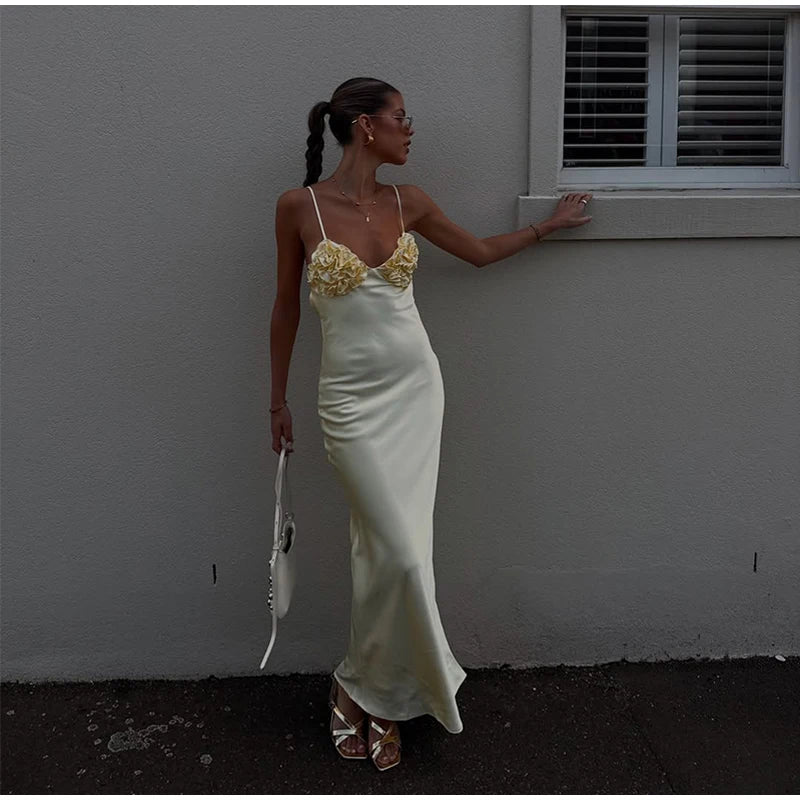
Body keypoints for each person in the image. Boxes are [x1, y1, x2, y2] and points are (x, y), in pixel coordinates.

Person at [269, 77, 592, 771]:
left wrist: (548, 226)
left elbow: (477, 252)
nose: (410, 129)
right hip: (348, 403)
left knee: (396, 554)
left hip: (416, 392)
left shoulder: (408, 202)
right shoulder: (299, 206)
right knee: (395, 555)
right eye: (401, 117)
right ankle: (365, 683)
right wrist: (276, 400)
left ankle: (372, 693)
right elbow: (286, 308)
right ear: (365, 126)